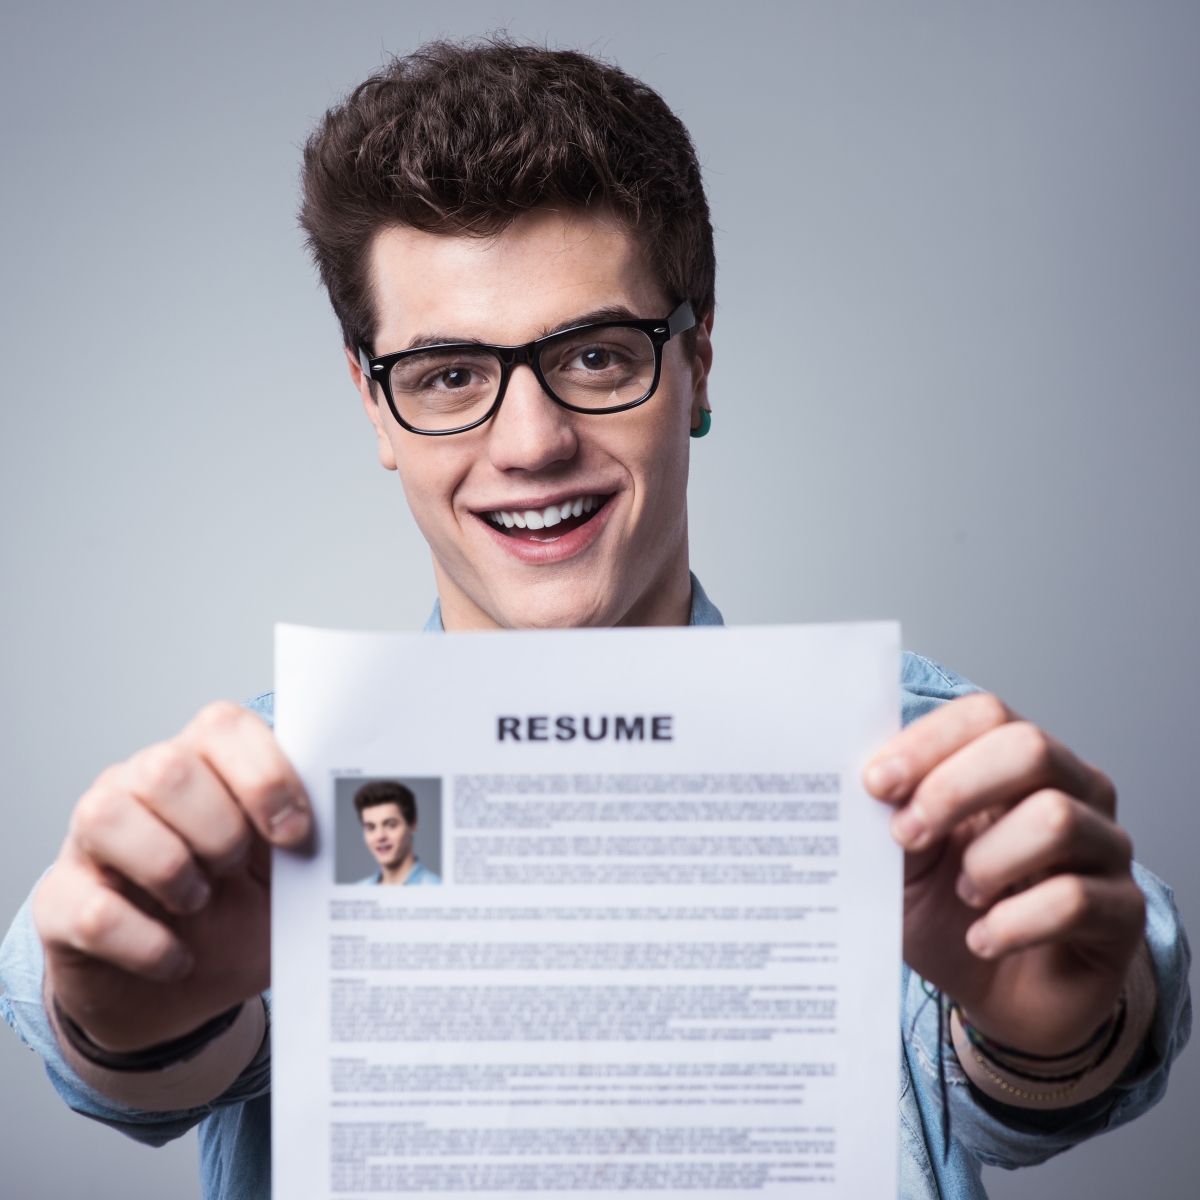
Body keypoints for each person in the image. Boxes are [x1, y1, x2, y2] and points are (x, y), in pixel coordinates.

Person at [0, 37, 1190, 1200]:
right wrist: (140, 1022)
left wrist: (1057, 1032)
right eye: (449, 375)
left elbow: (1072, 1050)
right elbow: (118, 1049)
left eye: (597, 355)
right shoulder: (244, 802)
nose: (531, 444)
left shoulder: (929, 771)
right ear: (374, 405)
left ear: (699, 361)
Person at [351, 780, 441, 885]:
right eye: (371, 827)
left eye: (391, 825)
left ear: (412, 826)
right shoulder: (357, 891)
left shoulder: (438, 890)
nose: (380, 836)